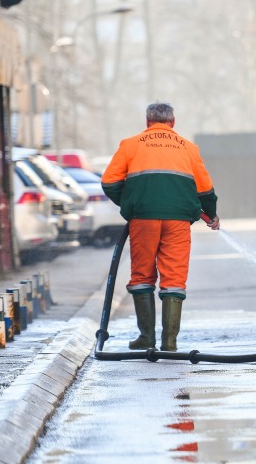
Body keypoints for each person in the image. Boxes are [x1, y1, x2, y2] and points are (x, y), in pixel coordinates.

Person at [101, 102, 220, 352]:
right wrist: (211, 214)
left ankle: (146, 338)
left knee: (142, 275)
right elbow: (205, 189)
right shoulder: (188, 148)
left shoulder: (130, 145)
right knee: (174, 278)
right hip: (178, 221)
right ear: (173, 122)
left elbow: (110, 182)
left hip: (142, 219)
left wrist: (132, 203)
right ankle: (170, 342)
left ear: (147, 122)